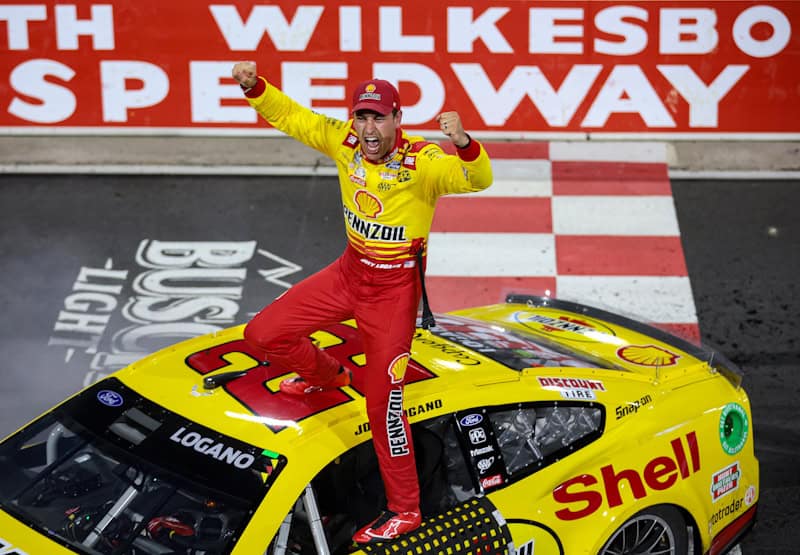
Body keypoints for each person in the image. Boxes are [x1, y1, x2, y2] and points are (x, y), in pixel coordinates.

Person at [231, 61, 493, 544]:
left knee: (383, 406)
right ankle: (327, 376)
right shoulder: (344, 142)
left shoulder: (425, 161)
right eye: (361, 117)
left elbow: (479, 180)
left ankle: (405, 510)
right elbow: (293, 117)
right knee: (262, 334)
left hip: (393, 297)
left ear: (397, 118)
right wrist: (254, 87)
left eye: (378, 118)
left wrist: (463, 143)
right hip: (347, 275)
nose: (369, 129)